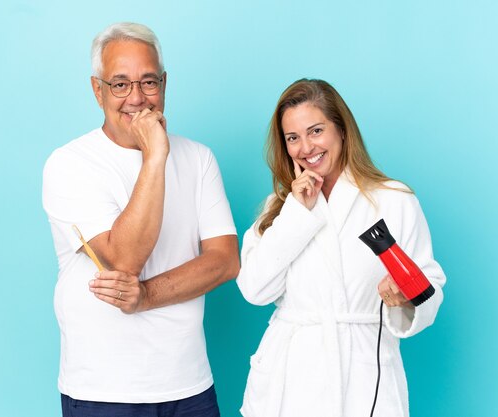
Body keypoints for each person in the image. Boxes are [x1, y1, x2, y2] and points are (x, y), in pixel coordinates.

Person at [42, 22, 239, 417]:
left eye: (149, 82)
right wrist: (155, 156)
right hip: (103, 390)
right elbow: (124, 257)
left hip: (190, 386)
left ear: (165, 84)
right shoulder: (69, 164)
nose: (137, 98)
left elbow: (225, 261)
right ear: (98, 90)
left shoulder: (199, 159)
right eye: (120, 84)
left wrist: (146, 295)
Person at [236, 79, 446, 417]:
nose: (305, 147)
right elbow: (254, 290)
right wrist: (296, 211)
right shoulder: (278, 209)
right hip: (290, 381)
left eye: (316, 130)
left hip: (365, 375)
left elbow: (430, 288)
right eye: (293, 138)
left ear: (342, 130)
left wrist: (405, 298)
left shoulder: (394, 200)